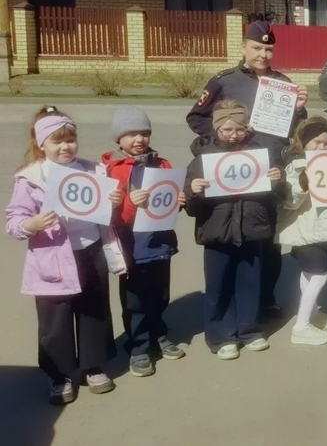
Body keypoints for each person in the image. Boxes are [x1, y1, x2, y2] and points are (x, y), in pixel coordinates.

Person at [186, 20, 309, 322]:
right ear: (244, 47)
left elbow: (296, 130)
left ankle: (265, 301)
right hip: (231, 170)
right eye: (257, 48)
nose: (263, 55)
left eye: (269, 49)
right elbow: (196, 117)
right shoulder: (224, 80)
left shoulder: (282, 83)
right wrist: (219, 140)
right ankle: (230, 307)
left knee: (268, 241)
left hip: (268, 171)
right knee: (232, 241)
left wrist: (300, 109)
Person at [5, 106, 126, 404]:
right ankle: (58, 375)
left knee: (93, 311)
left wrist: (115, 199)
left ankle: (92, 366)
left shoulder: (93, 170)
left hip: (90, 251)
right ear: (41, 144)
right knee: (54, 320)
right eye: (57, 141)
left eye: (70, 140)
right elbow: (14, 220)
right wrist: (30, 224)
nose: (65, 147)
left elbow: (105, 211)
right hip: (52, 259)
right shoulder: (30, 178)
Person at [184, 100, 283, 360]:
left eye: (238, 129)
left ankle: (249, 330)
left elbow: (277, 199)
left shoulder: (259, 154)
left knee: (250, 284)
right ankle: (221, 335)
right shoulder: (202, 159)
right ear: (216, 128)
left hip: (252, 230)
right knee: (218, 287)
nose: (233, 134)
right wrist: (193, 192)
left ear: (246, 128)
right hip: (217, 233)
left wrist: (277, 181)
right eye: (226, 129)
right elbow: (191, 208)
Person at [101, 106, 186, 378]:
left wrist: (178, 202)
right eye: (131, 134)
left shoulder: (162, 165)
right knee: (135, 300)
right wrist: (128, 203)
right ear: (119, 139)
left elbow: (168, 202)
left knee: (160, 295)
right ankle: (138, 346)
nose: (139, 139)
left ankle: (158, 334)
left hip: (159, 243)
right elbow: (109, 214)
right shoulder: (111, 170)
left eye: (144, 133)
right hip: (130, 246)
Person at [278, 117, 327, 345]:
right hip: (306, 231)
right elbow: (289, 202)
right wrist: (303, 183)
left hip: (324, 229)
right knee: (318, 276)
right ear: (305, 141)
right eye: (317, 142)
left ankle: (311, 314)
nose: (322, 147)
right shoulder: (295, 164)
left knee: (308, 274)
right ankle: (301, 327)